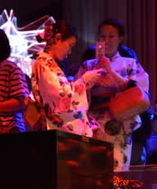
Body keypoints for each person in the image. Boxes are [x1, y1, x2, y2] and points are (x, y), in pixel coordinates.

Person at [76, 18, 150, 171]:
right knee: (94, 168)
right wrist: (88, 84)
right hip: (92, 122)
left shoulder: (130, 63)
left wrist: (111, 72)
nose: (106, 40)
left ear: (120, 38)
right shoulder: (88, 65)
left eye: (111, 36)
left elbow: (140, 91)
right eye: (102, 36)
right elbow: (76, 93)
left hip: (119, 120)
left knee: (117, 168)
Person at [30, 21, 103, 136]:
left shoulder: (48, 64)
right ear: (58, 39)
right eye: (70, 45)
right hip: (56, 127)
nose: (69, 52)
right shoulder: (43, 63)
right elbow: (60, 97)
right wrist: (83, 81)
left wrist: (85, 83)